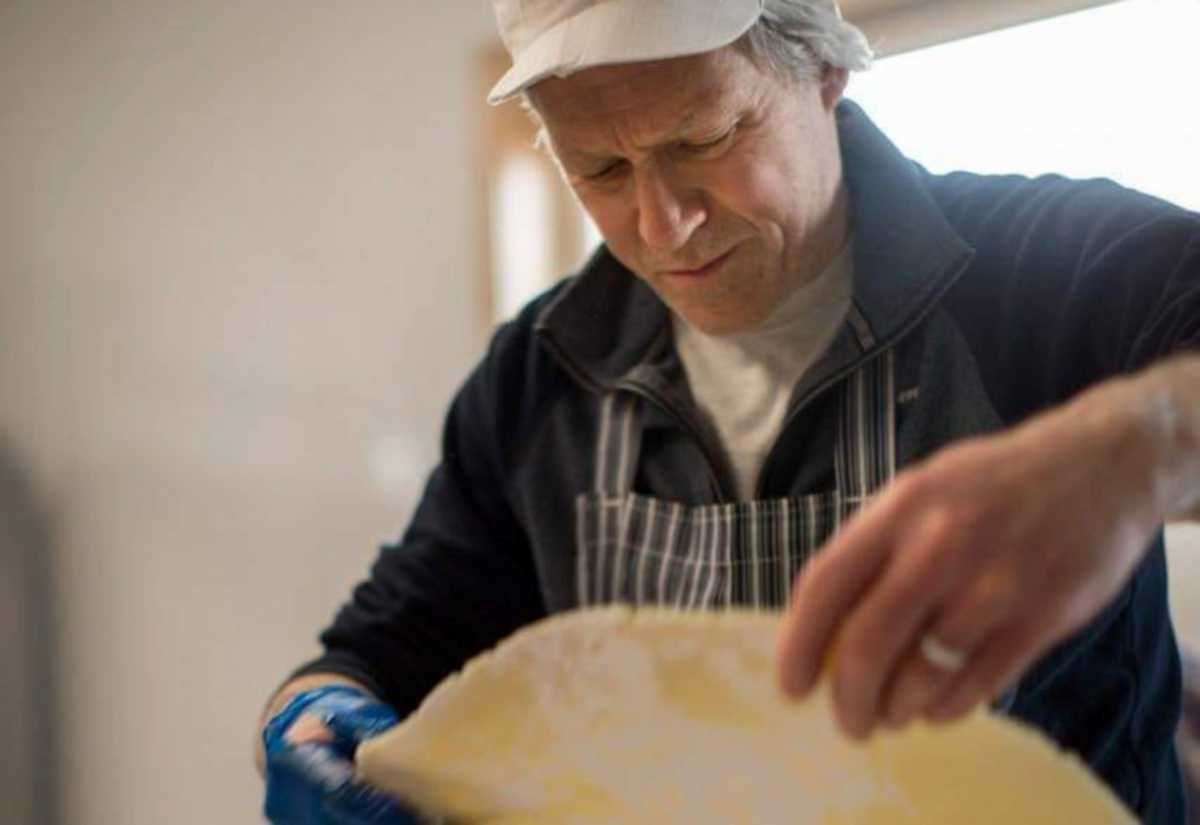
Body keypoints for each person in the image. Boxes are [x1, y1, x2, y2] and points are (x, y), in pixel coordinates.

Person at [256, 1, 1200, 822]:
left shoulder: (1048, 273)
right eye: (602, 172)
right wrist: (313, 721)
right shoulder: (541, 377)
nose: (663, 225)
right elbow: (378, 653)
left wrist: (1131, 447)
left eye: (702, 139)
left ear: (824, 65)